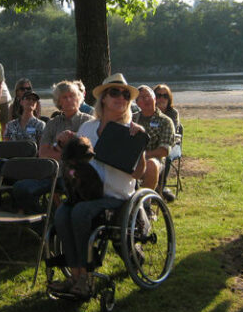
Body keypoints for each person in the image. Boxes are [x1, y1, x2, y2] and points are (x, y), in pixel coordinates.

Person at [51, 73, 147, 297]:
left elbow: (139, 173)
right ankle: (75, 275)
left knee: (80, 213)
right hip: (86, 192)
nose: (121, 97)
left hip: (115, 195)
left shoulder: (132, 130)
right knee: (62, 213)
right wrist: (62, 143)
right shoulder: (87, 128)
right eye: (114, 92)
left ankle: (85, 277)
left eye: (125, 94)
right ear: (103, 98)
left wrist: (140, 145)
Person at [12, 80, 93, 214]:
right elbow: (43, 153)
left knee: (75, 190)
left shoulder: (88, 121)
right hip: (50, 174)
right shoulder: (52, 124)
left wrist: (63, 144)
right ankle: (41, 219)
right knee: (21, 188)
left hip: (75, 175)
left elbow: (87, 154)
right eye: (64, 97)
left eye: (72, 96)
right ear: (58, 102)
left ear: (79, 98)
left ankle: (62, 216)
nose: (69, 100)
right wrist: (68, 151)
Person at [132, 85, 175, 191]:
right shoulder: (132, 119)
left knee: (151, 165)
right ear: (137, 103)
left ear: (154, 99)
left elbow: (164, 151)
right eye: (142, 97)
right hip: (131, 159)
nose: (146, 99)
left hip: (154, 160)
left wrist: (144, 156)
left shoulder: (165, 121)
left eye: (148, 96)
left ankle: (146, 203)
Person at [154, 83, 181, 201]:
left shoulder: (173, 113)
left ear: (169, 98)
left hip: (172, 144)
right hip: (153, 143)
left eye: (165, 96)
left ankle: (160, 187)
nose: (161, 98)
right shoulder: (149, 111)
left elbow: (172, 133)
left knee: (167, 156)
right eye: (159, 95)